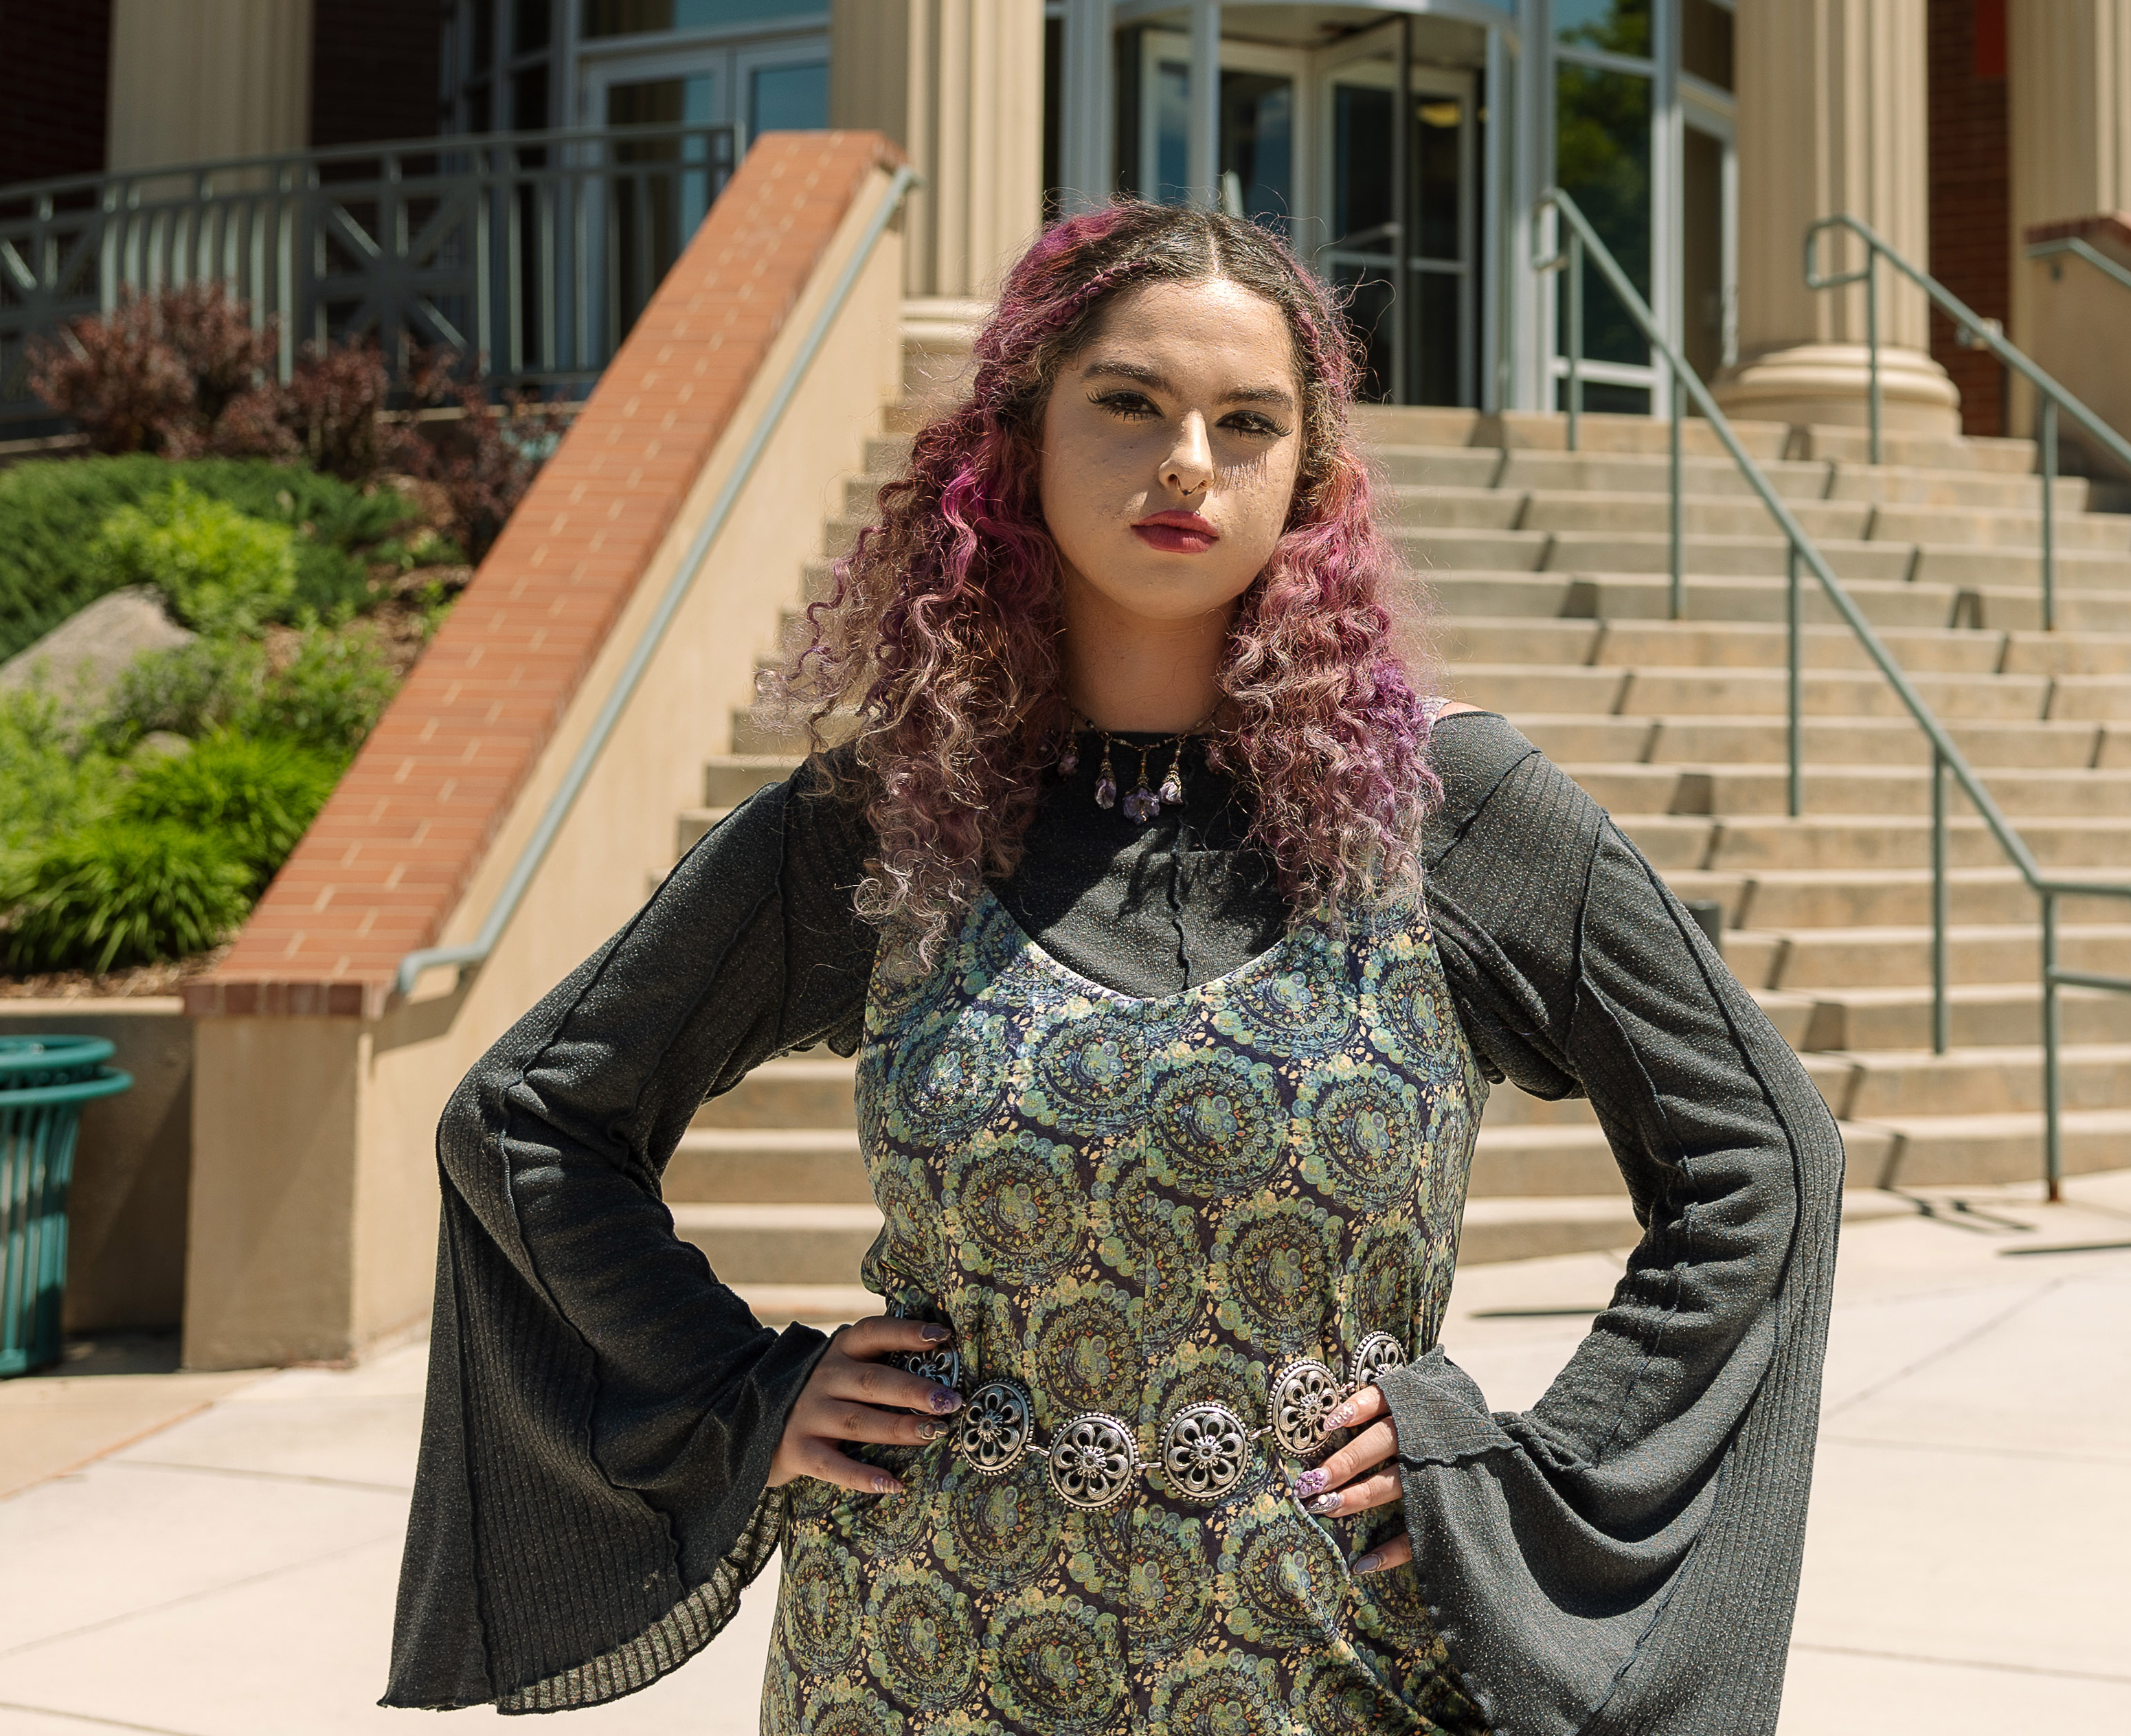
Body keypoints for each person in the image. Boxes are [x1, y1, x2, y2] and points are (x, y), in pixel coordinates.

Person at [386, 201, 1845, 1733]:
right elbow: (529, 1118)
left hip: (1332, 1660)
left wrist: (1528, 1476)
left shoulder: (1448, 812)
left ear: (1312, 479)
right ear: (1016, 442)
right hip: (920, 1650)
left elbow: (1761, 1157)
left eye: (1247, 421)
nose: (1189, 462)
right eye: (1131, 403)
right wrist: (745, 1388)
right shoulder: (883, 821)